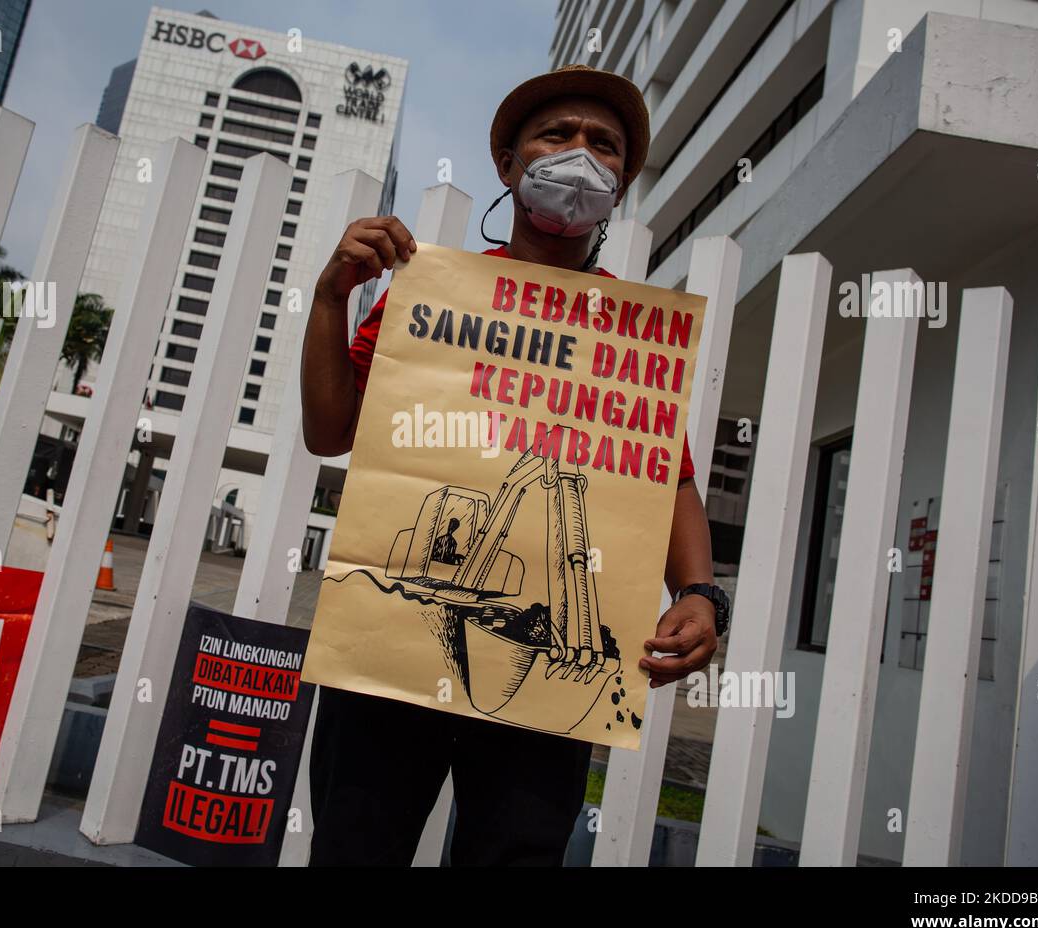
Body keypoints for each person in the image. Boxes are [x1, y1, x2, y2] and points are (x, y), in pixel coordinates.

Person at [299, 65, 730, 866]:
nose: (579, 156)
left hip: (550, 680)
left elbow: (663, 475)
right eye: (556, 135)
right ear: (507, 163)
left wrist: (700, 593)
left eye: (603, 146)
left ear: (622, 184)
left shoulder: (631, 334)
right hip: (389, 656)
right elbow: (329, 433)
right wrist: (332, 299)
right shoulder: (425, 295)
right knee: (357, 847)